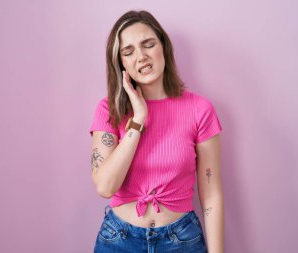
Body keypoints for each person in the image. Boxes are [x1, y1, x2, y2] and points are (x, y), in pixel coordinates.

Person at [89, 10, 224, 253]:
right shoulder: (108, 109)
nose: (141, 57)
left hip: (182, 241)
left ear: (163, 47)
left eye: (148, 44)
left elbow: (211, 193)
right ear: (121, 64)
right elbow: (105, 186)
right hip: (119, 240)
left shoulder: (200, 109)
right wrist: (138, 120)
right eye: (128, 52)